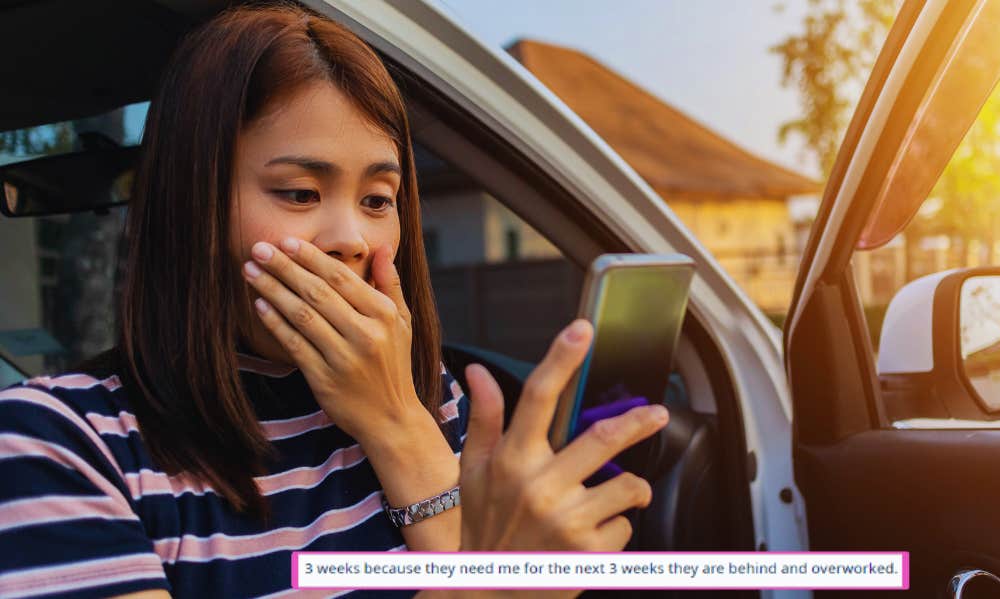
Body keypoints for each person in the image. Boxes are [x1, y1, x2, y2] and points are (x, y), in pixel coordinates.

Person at [0, 5, 668, 598]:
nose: (350, 239)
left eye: (378, 200)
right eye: (298, 193)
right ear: (190, 205)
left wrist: (400, 425)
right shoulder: (53, 445)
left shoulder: (431, 397)